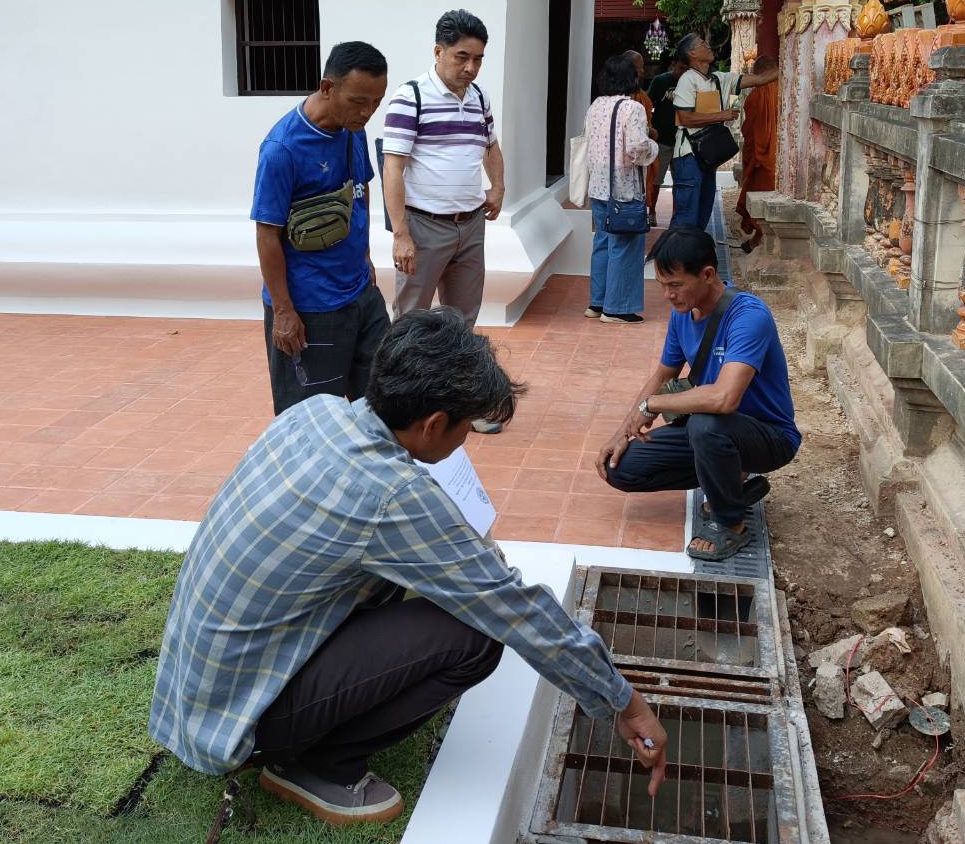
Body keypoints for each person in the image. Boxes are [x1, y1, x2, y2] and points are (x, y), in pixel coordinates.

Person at [150, 309, 668, 828]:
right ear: (435, 424)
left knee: (415, 588)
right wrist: (624, 702)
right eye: (468, 425)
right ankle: (315, 764)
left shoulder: (318, 411)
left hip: (198, 694)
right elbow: (516, 611)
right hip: (240, 722)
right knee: (475, 636)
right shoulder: (391, 494)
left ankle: (306, 736)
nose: (467, 438)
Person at [594, 228, 800, 561]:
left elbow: (724, 399)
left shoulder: (749, 317)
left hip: (768, 437)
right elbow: (664, 374)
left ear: (707, 275)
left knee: (705, 424)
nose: (668, 295)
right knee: (621, 467)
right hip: (713, 432)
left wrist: (654, 404)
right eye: (662, 285)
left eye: (675, 285)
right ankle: (731, 484)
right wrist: (622, 433)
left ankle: (730, 524)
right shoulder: (683, 315)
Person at [382, 9, 507, 433]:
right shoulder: (411, 97)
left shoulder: (479, 97)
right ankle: (400, 407)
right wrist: (401, 234)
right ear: (438, 52)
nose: (470, 67)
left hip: (470, 225)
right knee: (411, 321)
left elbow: (491, 146)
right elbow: (393, 167)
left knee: (462, 320)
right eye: (461, 57)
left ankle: (459, 405)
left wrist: (498, 187)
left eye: (478, 59)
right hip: (423, 227)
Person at [252, 41, 390, 416]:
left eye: (376, 102)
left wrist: (365, 255)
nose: (367, 112)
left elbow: (360, 189)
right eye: (359, 101)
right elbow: (267, 234)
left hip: (361, 295)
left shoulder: (354, 129)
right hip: (310, 308)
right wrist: (284, 311)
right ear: (327, 87)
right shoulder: (282, 149)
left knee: (386, 405)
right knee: (312, 421)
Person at [668, 34, 777, 231]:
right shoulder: (688, 80)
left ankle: (695, 250)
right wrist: (721, 115)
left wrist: (790, 63)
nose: (708, 46)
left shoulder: (720, 78)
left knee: (703, 213)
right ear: (692, 53)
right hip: (688, 155)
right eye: (702, 44)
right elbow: (685, 118)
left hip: (708, 156)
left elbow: (761, 79)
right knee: (686, 217)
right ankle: (677, 251)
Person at [584, 54, 659, 324]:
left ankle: (597, 303)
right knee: (625, 246)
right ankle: (616, 308)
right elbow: (637, 147)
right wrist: (653, 146)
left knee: (603, 242)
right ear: (631, 78)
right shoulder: (633, 108)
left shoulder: (595, 106)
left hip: (598, 186)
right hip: (623, 187)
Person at [735, 54, 780, 252]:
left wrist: (756, 154)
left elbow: (750, 131)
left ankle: (758, 242)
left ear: (760, 73)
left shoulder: (757, 95)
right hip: (780, 157)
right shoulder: (785, 90)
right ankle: (757, 241)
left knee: (761, 197)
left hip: (762, 158)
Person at [645, 53, 687, 224]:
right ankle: (652, 211)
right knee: (656, 179)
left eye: (686, 69)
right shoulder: (660, 81)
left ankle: (677, 216)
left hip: (682, 141)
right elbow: (647, 105)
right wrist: (649, 128)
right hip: (661, 140)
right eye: (681, 68)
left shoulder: (690, 84)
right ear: (673, 64)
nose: (683, 72)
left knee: (680, 181)